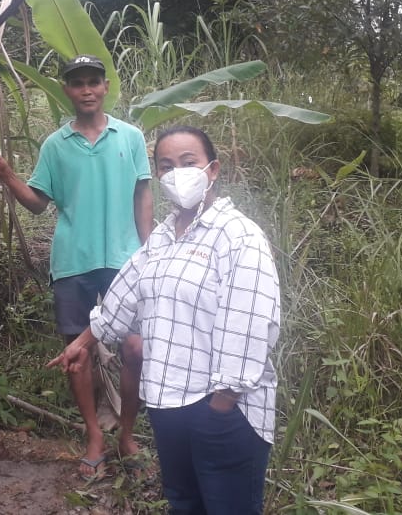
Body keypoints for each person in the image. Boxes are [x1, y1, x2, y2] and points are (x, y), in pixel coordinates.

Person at [49, 126, 280, 515]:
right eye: (166, 166)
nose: (177, 173)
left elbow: (249, 322)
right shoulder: (163, 238)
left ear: (213, 170)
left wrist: (223, 404)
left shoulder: (238, 236)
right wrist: (83, 342)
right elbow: (123, 297)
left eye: (189, 162)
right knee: (184, 504)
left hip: (222, 408)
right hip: (168, 403)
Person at [0, 54, 153, 481]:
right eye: (78, 84)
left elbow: (142, 193)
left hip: (126, 262)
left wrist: (149, 251)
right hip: (73, 261)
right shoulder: (55, 145)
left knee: (135, 349)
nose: (87, 89)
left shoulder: (129, 137)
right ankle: (94, 435)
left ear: (106, 87)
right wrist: (5, 173)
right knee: (78, 354)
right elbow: (39, 203)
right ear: (67, 90)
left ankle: (126, 435)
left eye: (94, 81)